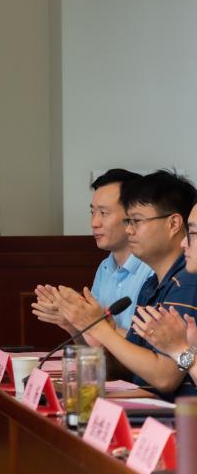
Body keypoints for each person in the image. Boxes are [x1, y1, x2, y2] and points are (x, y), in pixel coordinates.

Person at [54, 170, 197, 397]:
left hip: (176, 414)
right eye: (128, 221)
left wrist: (100, 328)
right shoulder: (151, 284)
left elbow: (164, 379)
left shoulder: (187, 282)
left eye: (136, 221)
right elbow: (132, 371)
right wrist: (88, 332)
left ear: (173, 224)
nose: (129, 229)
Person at [32, 169, 152, 334]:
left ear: (133, 216)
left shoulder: (153, 270)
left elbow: (148, 345)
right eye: (92, 212)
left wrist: (93, 324)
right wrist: (71, 323)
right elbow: (94, 344)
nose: (94, 223)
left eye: (104, 213)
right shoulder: (105, 267)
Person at [131, 200, 197, 390]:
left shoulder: (187, 283)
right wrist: (184, 351)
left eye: (193, 233)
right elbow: (188, 362)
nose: (184, 243)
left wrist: (179, 348)